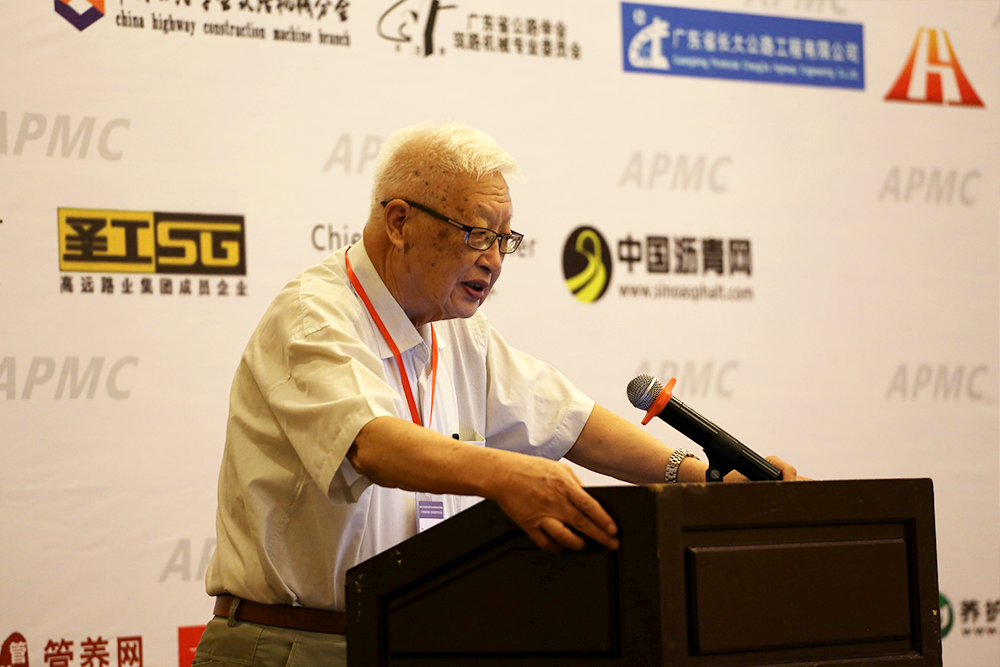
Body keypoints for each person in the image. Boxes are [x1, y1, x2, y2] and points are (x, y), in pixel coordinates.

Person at [192, 121, 804, 666]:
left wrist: (700, 480)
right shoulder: (314, 316)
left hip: (412, 640)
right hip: (298, 646)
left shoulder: (461, 331)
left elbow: (571, 422)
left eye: (505, 240)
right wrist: (508, 477)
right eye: (478, 234)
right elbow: (370, 445)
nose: (495, 261)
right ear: (400, 222)